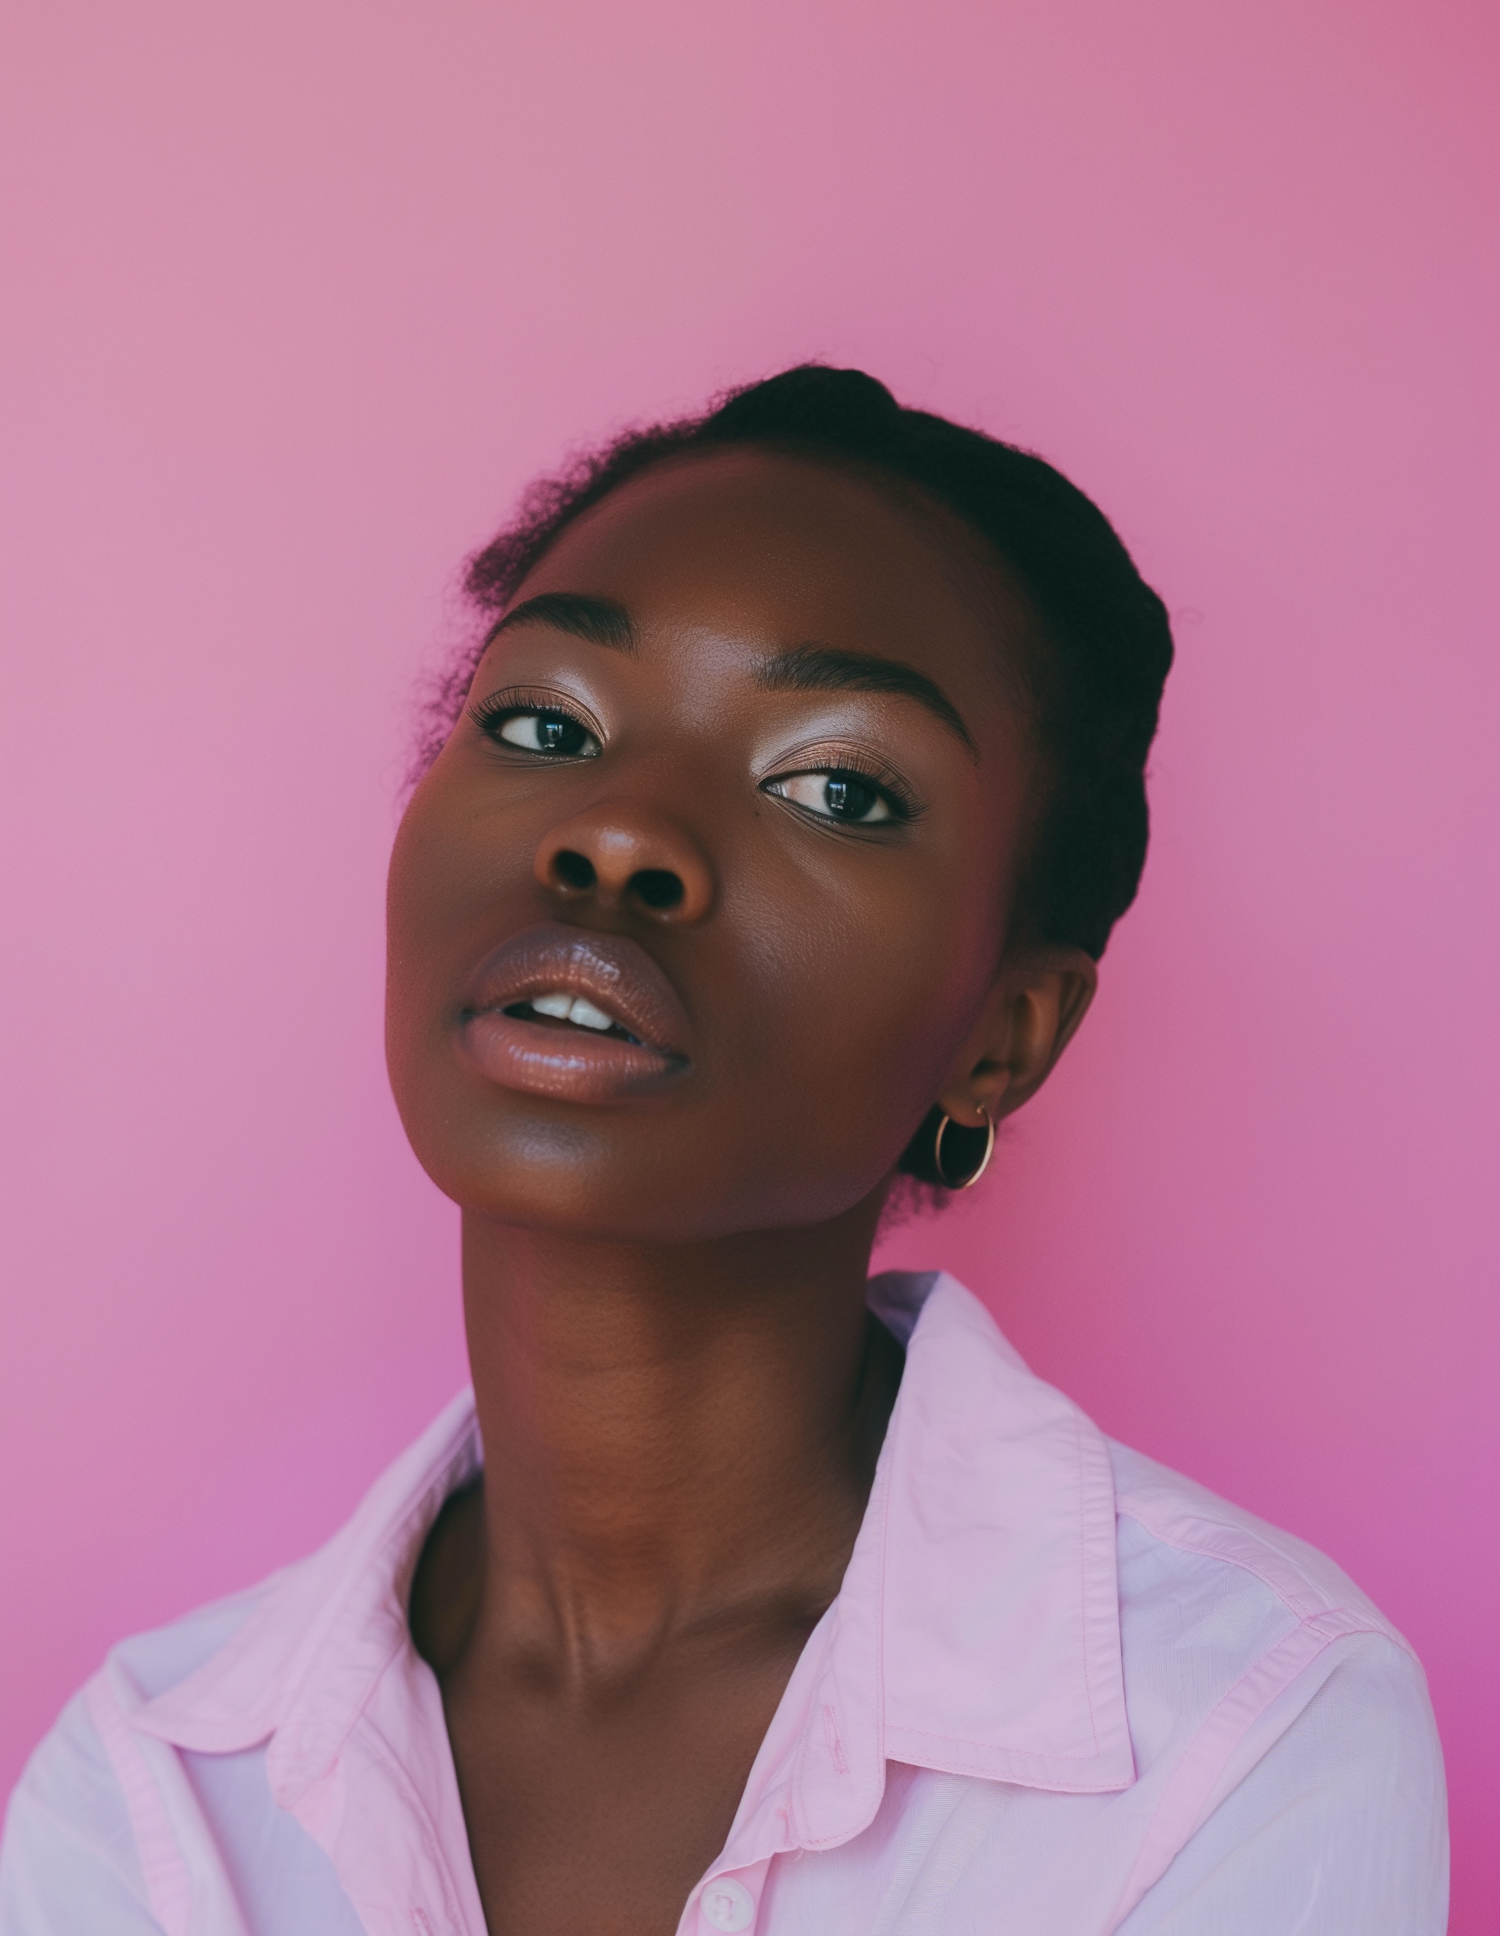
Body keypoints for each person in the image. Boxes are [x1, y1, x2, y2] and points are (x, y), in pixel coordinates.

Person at [0, 367, 1446, 1935]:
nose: (620, 832)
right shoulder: (152, 1794)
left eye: (836, 784)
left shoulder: (1244, 1733)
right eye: (547, 721)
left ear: (1002, 1034)